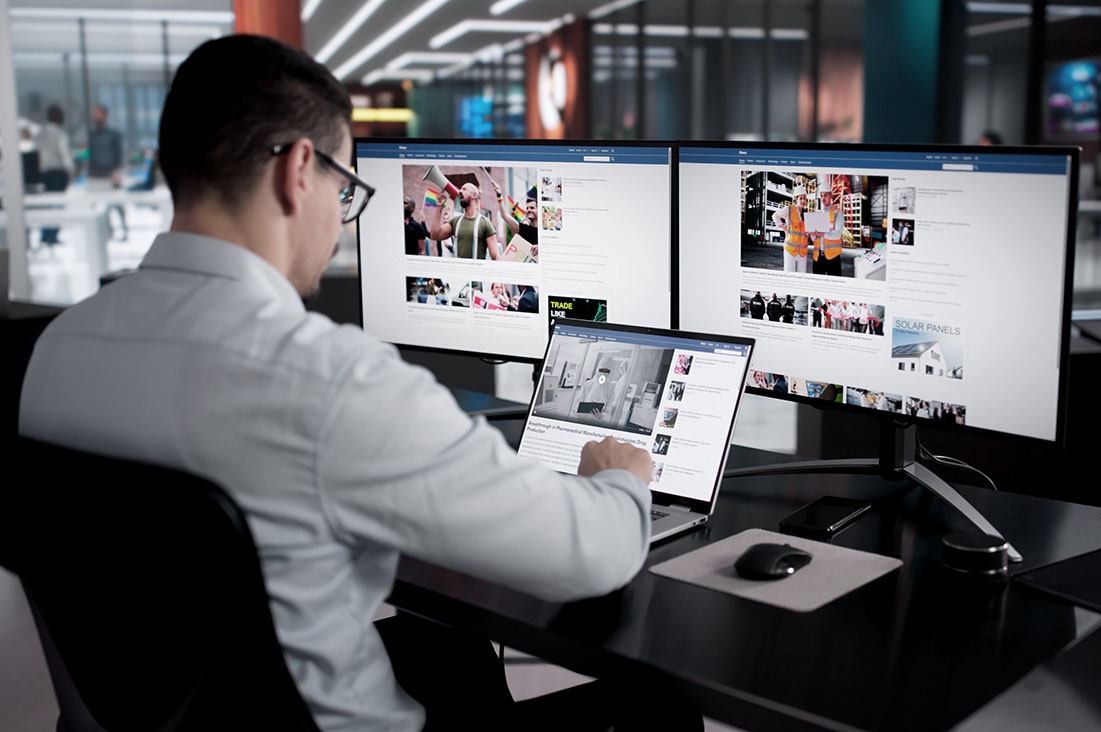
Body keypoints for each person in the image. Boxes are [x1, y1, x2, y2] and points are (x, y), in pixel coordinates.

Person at [18, 34, 686, 732]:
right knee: (658, 711)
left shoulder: (58, 347)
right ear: (298, 171)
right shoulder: (331, 378)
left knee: (454, 653)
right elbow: (592, 554)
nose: (342, 219)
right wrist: (621, 478)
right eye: (345, 190)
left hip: (163, 712)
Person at [87, 104, 128, 240]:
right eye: (95, 113)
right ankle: (107, 231)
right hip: (97, 173)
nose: (96, 116)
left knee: (117, 203)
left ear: (105, 115)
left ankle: (124, 228)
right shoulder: (92, 135)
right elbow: (91, 155)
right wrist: (91, 172)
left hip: (111, 172)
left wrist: (116, 170)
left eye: (98, 113)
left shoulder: (113, 134)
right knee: (99, 204)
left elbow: (118, 154)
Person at [431, 181, 501, 260]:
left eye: (464, 189)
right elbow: (434, 235)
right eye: (460, 189)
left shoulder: (485, 223)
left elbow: (495, 255)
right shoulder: (455, 222)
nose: (460, 191)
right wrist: (439, 207)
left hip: (476, 268)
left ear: (474, 195)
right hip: (458, 268)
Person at [34, 104, 73, 245]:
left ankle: (45, 235)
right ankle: (52, 236)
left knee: (47, 205)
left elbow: (37, 153)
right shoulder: (60, 134)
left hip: (44, 173)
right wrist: (71, 170)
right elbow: (65, 153)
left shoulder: (40, 134)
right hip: (58, 173)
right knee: (57, 204)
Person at [491, 179, 539, 260]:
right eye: (527, 208)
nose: (528, 210)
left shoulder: (545, 230)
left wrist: (541, 247)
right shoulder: (524, 228)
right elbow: (504, 216)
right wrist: (499, 194)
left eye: (532, 208)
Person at [808, 179, 843, 277]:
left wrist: (823, 234)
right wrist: (813, 235)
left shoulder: (837, 212)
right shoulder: (818, 214)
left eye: (825, 195)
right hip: (818, 257)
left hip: (833, 257)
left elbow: (838, 234)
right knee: (818, 284)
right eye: (821, 195)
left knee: (834, 284)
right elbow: (814, 239)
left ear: (831, 195)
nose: (823, 198)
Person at [772, 185, 809, 272]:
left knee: (801, 276)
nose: (803, 201)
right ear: (796, 199)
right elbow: (775, 216)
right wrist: (784, 228)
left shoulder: (806, 214)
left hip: (802, 252)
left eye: (804, 198)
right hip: (790, 250)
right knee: (789, 274)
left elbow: (807, 232)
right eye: (801, 198)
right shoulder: (789, 210)